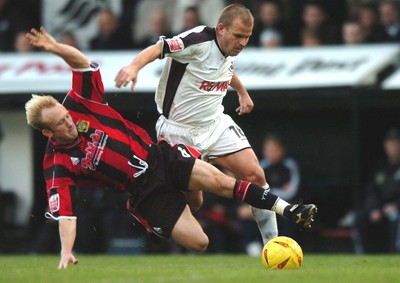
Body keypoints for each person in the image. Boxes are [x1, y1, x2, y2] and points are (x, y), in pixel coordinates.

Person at [25, 26, 317, 269]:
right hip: (142, 192)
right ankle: (148, 217)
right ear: (47, 132)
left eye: (66, 116)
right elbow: (66, 213)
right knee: (200, 242)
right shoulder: (56, 163)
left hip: (160, 156)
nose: (69, 123)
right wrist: (66, 251)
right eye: (61, 124)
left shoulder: (80, 104)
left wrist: (55, 48)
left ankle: (288, 209)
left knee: (221, 182)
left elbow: (81, 63)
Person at [115, 4, 279, 245]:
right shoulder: (196, 40)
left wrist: (242, 92)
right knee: (195, 203)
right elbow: (159, 47)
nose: (243, 42)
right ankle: (149, 208)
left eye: (247, 37)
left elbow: (225, 68)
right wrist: (133, 66)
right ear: (221, 28)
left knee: (255, 174)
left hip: (215, 123)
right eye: (238, 36)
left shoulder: (227, 49)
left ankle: (274, 247)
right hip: (179, 131)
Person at [354, 128, 400, 254]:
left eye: (395, 144)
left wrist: (396, 205)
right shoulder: (380, 168)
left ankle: (395, 254)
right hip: (381, 209)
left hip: (396, 210)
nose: (392, 147)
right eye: (389, 144)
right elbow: (372, 191)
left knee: (396, 217)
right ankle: (363, 254)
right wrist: (374, 209)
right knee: (360, 218)